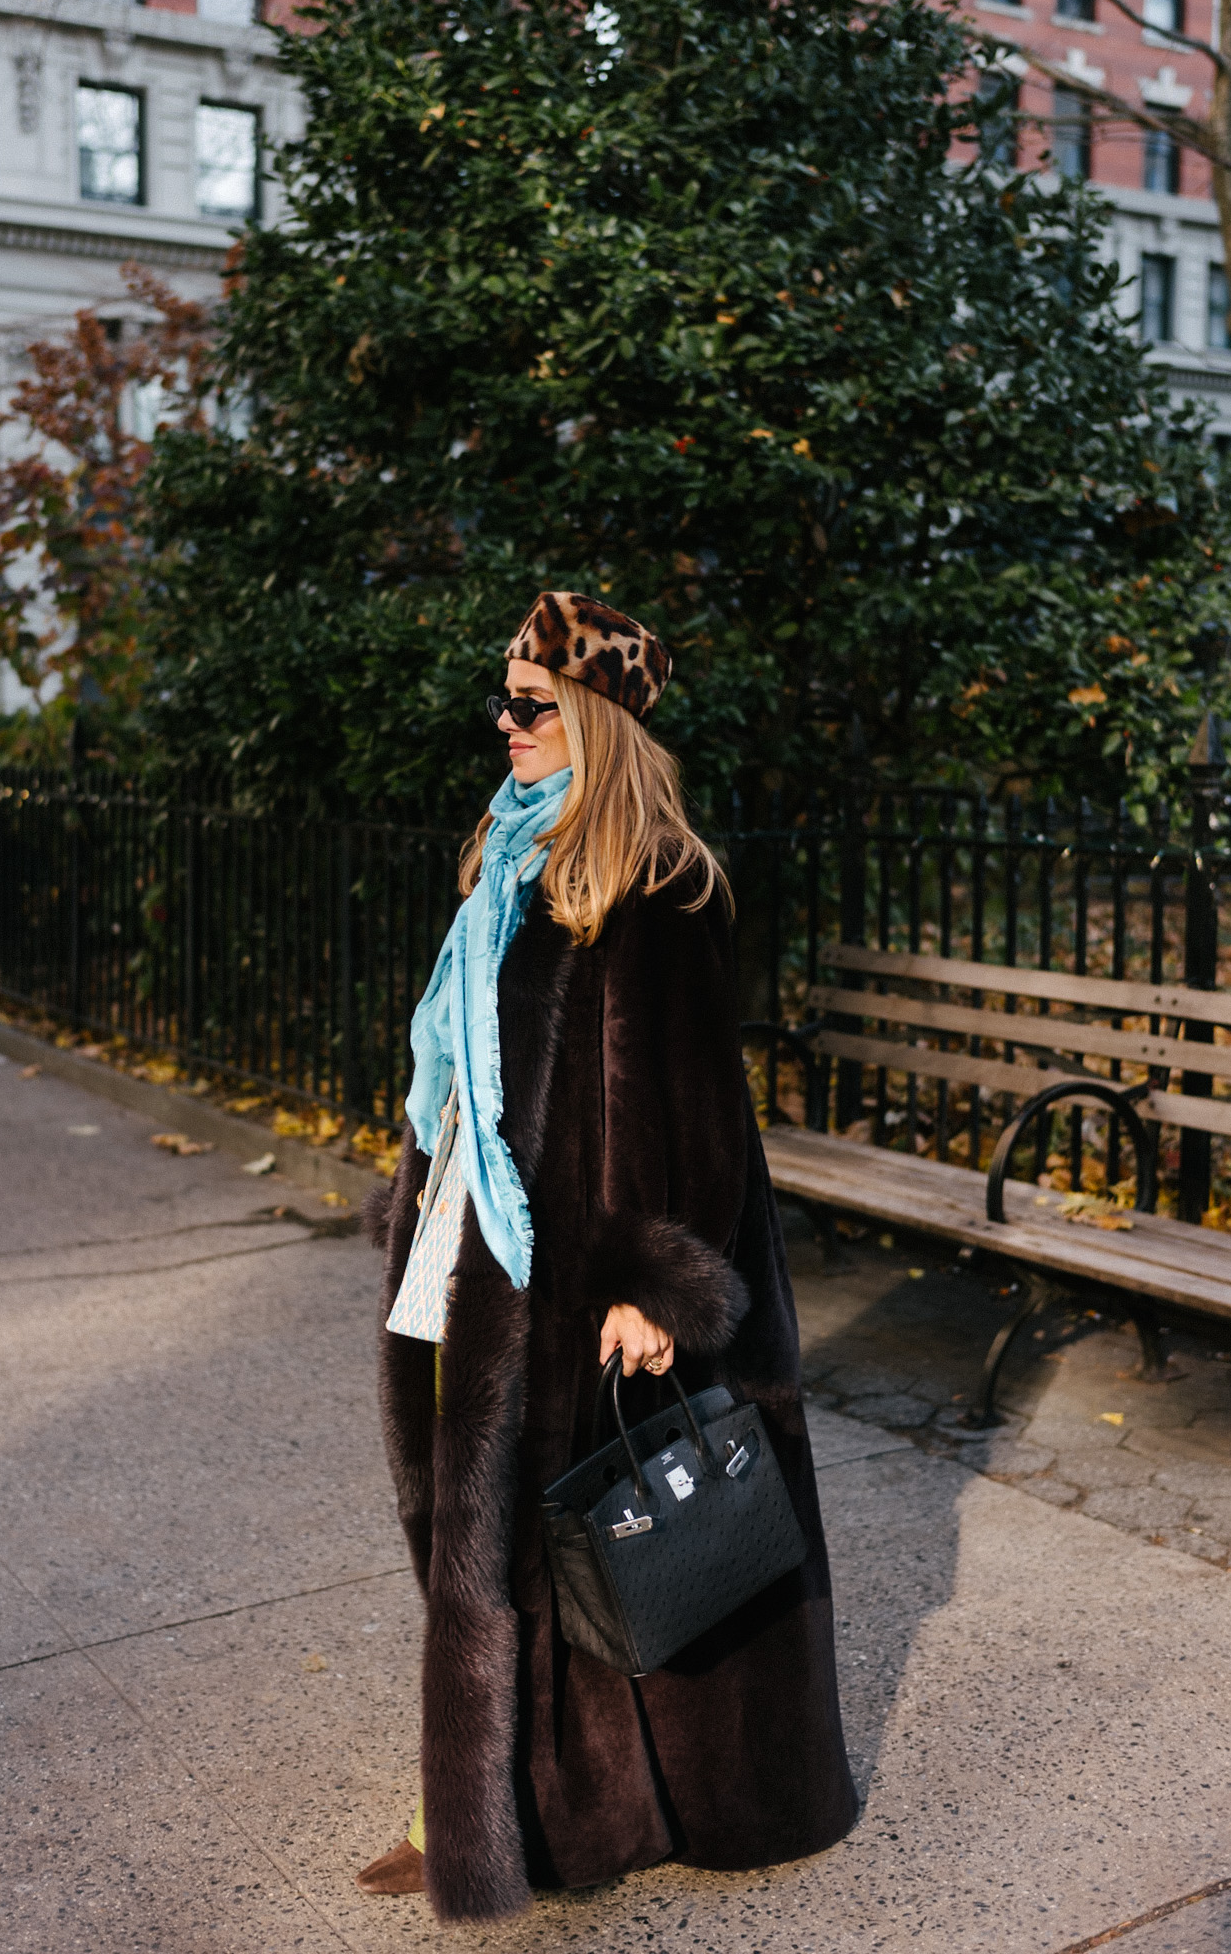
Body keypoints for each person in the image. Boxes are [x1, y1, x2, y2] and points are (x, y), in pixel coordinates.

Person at [358, 591, 857, 1922]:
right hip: (482, 1228)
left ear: (598, 724)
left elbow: (689, 1100)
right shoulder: (513, 863)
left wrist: (656, 1281)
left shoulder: (659, 887)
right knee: (482, 1522)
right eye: (505, 699)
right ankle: (504, 1788)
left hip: (587, 1259)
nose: (507, 724)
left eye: (533, 704)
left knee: (583, 1533)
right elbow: (467, 1066)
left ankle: (545, 1805)